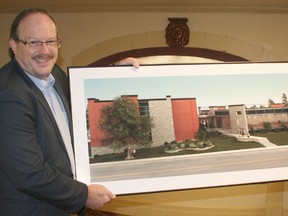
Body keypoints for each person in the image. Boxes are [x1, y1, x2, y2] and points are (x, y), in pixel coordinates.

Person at [0, 8, 140, 216]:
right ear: (14, 45)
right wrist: (84, 195)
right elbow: (29, 173)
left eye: (50, 41)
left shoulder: (53, 74)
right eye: (34, 42)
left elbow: (79, 96)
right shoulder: (9, 94)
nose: (44, 50)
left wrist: (114, 71)